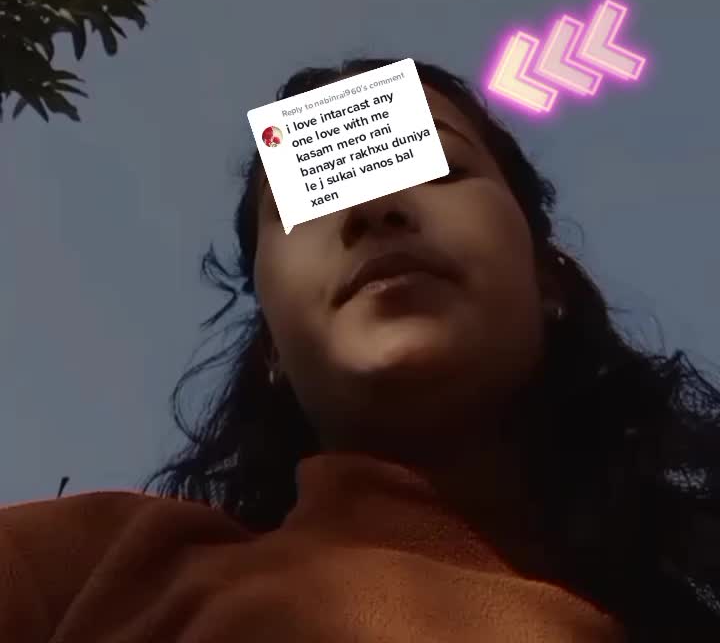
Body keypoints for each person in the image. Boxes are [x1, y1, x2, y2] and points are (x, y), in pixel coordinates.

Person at [1, 56, 719, 641]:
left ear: (548, 277)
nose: (375, 207)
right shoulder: (90, 572)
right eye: (313, 194)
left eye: (437, 167)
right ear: (270, 348)